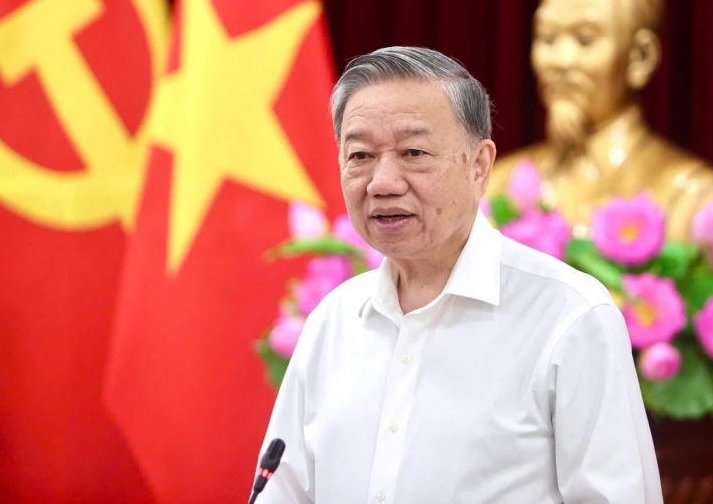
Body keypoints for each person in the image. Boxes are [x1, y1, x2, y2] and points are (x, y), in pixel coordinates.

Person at [254, 46, 663, 503]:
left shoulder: (569, 316)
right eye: (360, 155)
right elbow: (282, 491)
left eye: (413, 152)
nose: (382, 182)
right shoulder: (333, 321)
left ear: (479, 166)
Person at [488, 0, 713, 241]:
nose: (560, 61)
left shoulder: (688, 193)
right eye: (547, 39)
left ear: (640, 57)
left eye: (585, 40)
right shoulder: (498, 183)